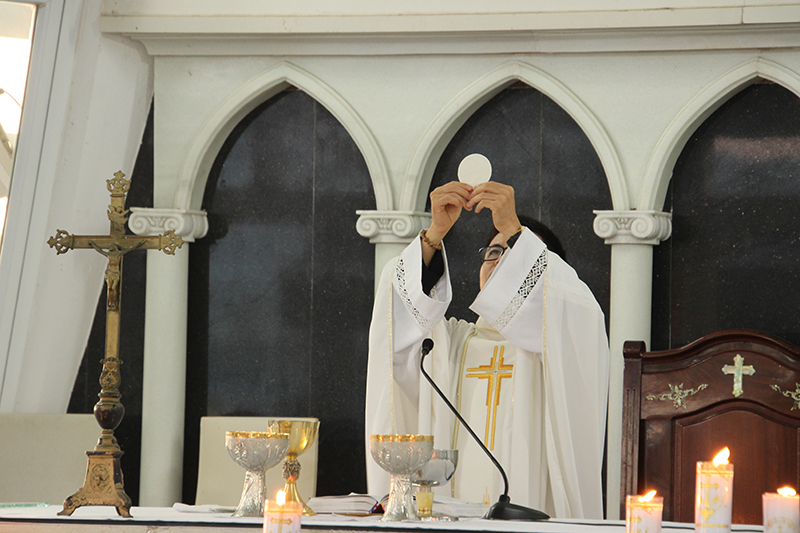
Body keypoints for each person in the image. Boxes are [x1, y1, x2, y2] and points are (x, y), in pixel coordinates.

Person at [364, 180, 609, 519]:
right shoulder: (449, 345)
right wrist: (434, 235)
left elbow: (577, 308)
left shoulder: (562, 343)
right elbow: (398, 322)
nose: (501, 261)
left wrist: (512, 227)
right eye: (493, 252)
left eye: (516, 253)